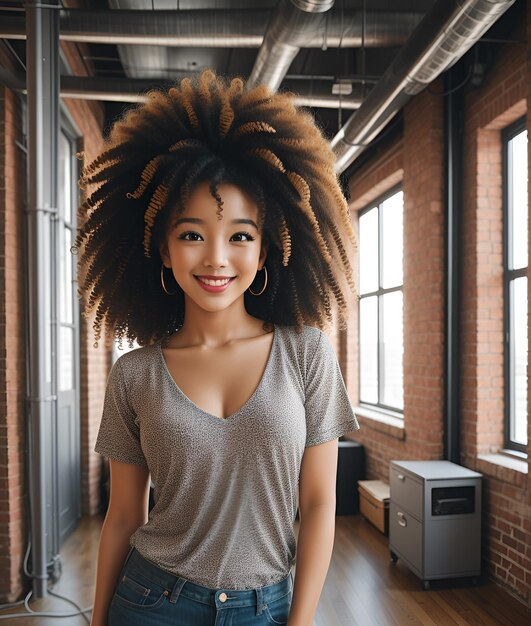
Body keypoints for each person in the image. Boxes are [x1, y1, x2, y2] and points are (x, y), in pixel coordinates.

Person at [73, 70, 360, 626]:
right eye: (191, 234)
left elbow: (320, 502)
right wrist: (99, 619)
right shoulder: (134, 374)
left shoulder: (307, 354)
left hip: (267, 607)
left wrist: (298, 622)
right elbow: (124, 514)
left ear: (269, 247)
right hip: (151, 600)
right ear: (161, 248)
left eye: (240, 236)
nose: (216, 259)